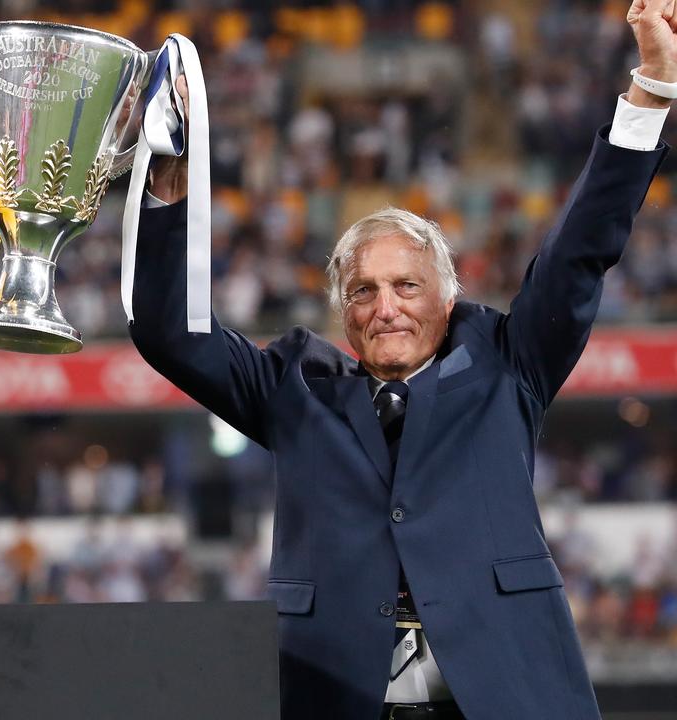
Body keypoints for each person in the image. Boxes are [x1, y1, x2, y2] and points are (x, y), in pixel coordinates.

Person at [129, 3, 673, 719]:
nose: (386, 306)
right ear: (343, 314)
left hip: (503, 697)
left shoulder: (510, 366)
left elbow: (579, 253)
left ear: (446, 299)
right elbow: (170, 332)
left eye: (406, 286)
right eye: (363, 290)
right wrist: (170, 179)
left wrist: (653, 89)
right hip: (339, 699)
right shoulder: (294, 391)